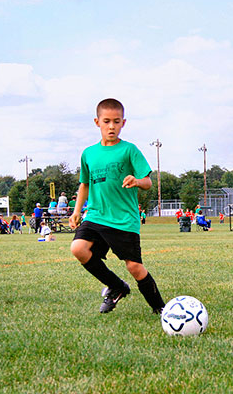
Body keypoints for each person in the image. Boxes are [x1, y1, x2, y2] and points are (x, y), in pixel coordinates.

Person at [68, 98, 165, 315]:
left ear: (123, 123)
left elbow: (148, 182)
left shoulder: (129, 150)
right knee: (78, 248)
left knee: (134, 267)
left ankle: (160, 308)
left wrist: (137, 181)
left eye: (116, 121)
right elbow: (84, 184)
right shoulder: (88, 153)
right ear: (97, 122)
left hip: (123, 219)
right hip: (95, 215)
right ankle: (117, 286)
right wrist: (76, 211)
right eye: (107, 121)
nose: (111, 126)